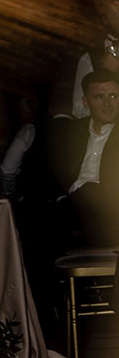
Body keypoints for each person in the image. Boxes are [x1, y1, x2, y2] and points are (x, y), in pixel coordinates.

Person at [48, 70, 119, 252]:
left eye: (113, 96)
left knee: (91, 192)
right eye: (99, 97)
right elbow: (54, 171)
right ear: (86, 102)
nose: (108, 104)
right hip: (72, 203)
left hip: (109, 207)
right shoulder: (71, 131)